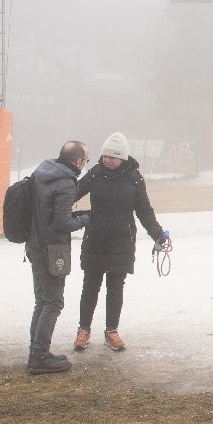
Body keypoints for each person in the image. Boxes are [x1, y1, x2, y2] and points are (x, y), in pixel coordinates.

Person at [73, 132, 170, 354]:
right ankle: (83, 330)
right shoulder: (96, 174)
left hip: (122, 241)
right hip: (95, 238)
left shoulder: (134, 178)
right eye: (105, 156)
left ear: (122, 158)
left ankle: (111, 331)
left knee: (115, 288)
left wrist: (158, 234)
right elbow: (73, 193)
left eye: (112, 157)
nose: (107, 160)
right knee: (90, 286)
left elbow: (144, 211)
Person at [24, 141, 91, 374]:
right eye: (85, 161)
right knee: (53, 302)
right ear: (78, 161)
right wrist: (86, 218)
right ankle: (40, 356)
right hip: (51, 249)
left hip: (34, 243)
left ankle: (36, 349)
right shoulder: (65, 183)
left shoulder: (42, 172)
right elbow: (62, 222)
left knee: (42, 300)